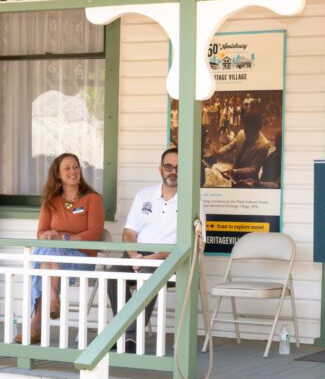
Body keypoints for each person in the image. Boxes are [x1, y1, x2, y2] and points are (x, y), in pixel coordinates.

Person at [107, 148, 204, 352]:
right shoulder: (145, 195)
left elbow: (191, 242)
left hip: (171, 258)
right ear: (160, 169)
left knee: (149, 275)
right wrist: (135, 257)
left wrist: (151, 258)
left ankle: (128, 335)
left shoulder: (193, 198)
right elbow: (129, 233)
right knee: (113, 275)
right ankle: (129, 334)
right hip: (138, 253)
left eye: (178, 167)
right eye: (169, 166)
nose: (173, 171)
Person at [17, 153, 105, 344]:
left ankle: (36, 324)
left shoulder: (92, 199)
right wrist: (47, 235)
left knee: (45, 255)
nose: (73, 171)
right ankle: (53, 298)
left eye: (75, 167)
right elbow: (40, 232)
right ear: (57, 174)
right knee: (48, 249)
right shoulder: (51, 200)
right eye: (67, 168)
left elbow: (95, 233)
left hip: (81, 255)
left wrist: (66, 238)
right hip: (55, 256)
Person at [207, 111, 270, 188]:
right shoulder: (241, 133)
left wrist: (234, 171)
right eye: (245, 127)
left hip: (249, 182)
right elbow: (229, 147)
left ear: (256, 129)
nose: (245, 131)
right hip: (234, 177)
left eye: (248, 129)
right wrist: (219, 153)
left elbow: (254, 169)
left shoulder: (264, 144)